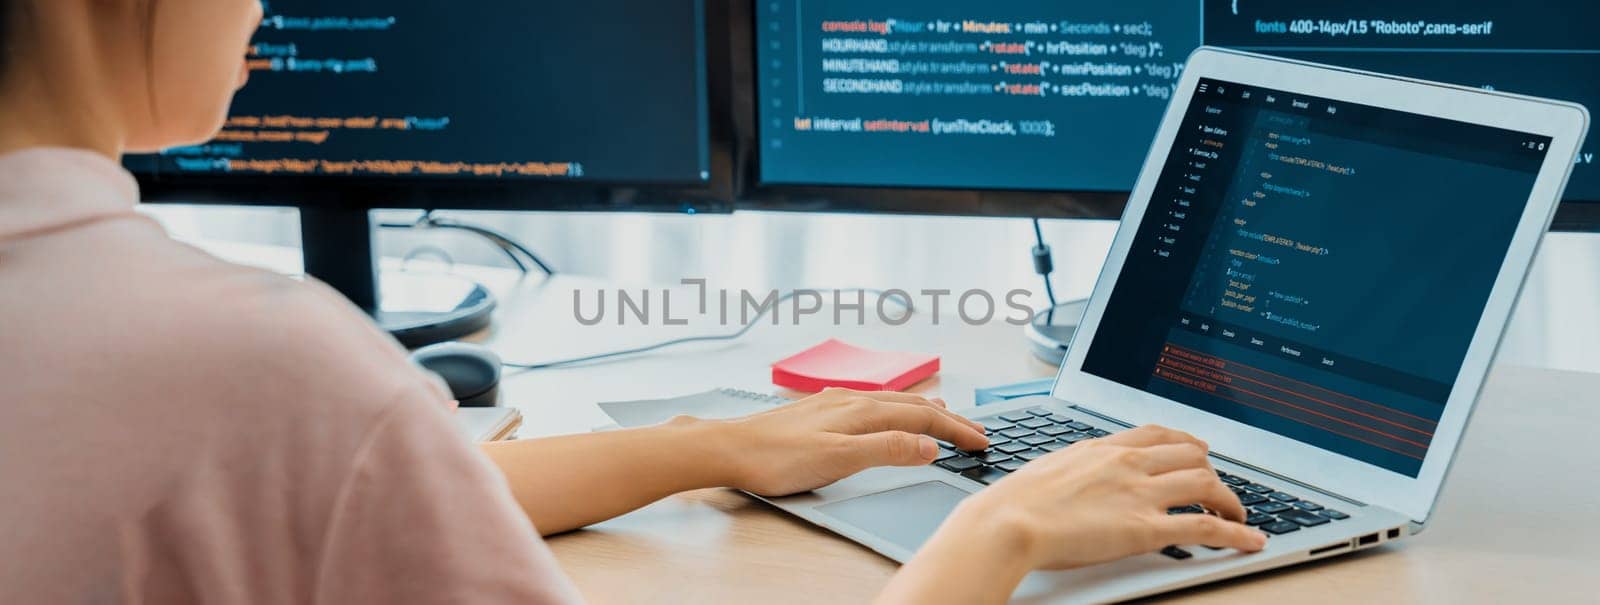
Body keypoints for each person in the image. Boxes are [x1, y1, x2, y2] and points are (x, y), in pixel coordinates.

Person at [0, 1, 1265, 603]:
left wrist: (695, 447)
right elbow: (295, 453)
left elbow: (303, 492)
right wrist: (992, 541)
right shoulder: (257, 364)